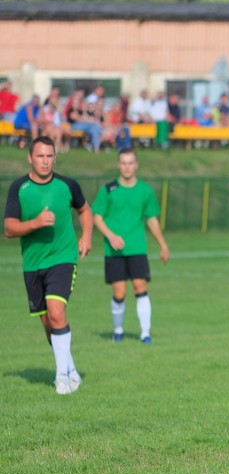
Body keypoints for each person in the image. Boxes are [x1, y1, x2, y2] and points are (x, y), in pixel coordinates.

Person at [4, 136, 93, 395]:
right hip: (32, 263)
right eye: (40, 156)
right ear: (30, 157)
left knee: (56, 313)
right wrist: (36, 222)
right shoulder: (18, 188)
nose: (45, 161)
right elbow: (9, 229)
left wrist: (86, 235)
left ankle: (61, 379)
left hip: (62, 258)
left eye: (50, 156)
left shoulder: (68, 185)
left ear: (55, 157)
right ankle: (72, 370)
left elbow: (85, 210)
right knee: (48, 324)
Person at [92, 149, 169, 345]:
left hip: (137, 249)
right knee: (119, 293)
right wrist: (111, 236)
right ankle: (118, 330)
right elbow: (97, 217)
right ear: (118, 165)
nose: (127, 166)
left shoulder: (145, 190)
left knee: (140, 287)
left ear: (136, 165)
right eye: (123, 163)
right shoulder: (108, 190)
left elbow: (152, 220)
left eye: (130, 162)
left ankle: (145, 333)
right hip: (114, 250)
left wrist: (163, 245)